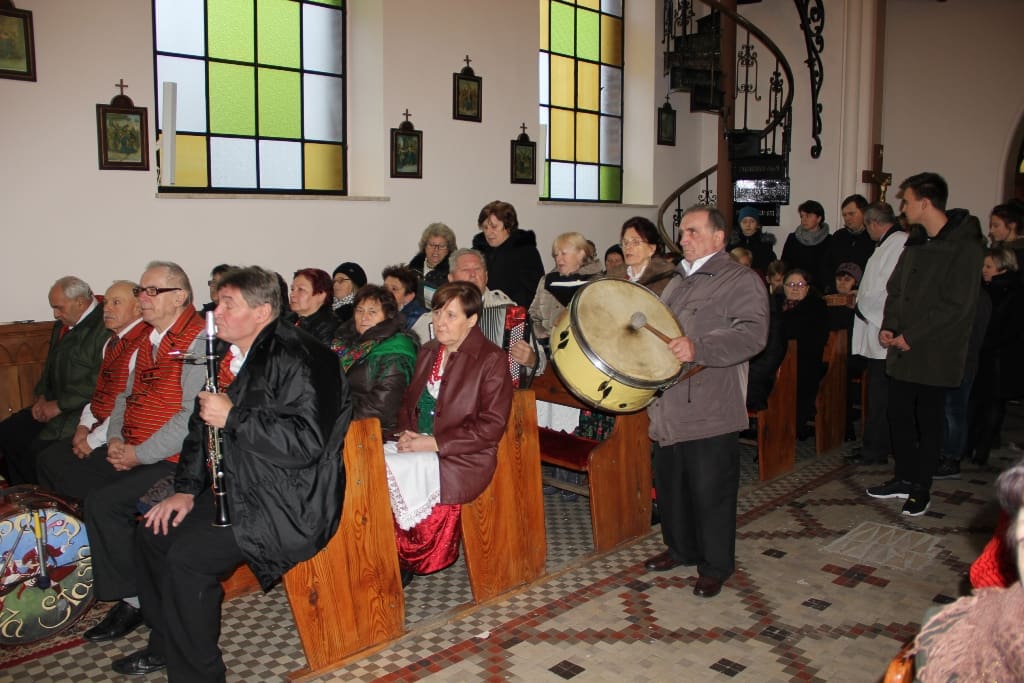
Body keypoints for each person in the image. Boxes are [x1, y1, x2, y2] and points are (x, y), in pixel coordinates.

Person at [114, 266, 351, 680]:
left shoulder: (305, 358)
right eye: (218, 302)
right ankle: (167, 644)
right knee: (153, 533)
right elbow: (198, 427)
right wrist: (186, 490)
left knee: (188, 559)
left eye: (228, 304)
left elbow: (307, 444)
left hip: (289, 501)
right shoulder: (227, 353)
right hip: (242, 485)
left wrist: (234, 417)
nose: (215, 312)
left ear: (261, 312)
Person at [63, 261, 207, 644]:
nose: (143, 297)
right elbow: (124, 396)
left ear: (179, 296)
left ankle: (134, 599)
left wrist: (137, 454)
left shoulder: (197, 342)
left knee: (105, 503)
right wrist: (114, 439)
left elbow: (191, 419)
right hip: (134, 447)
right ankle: (111, 566)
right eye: (142, 290)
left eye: (152, 291)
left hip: (176, 460)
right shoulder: (149, 339)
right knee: (66, 470)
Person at [643, 205, 769, 599]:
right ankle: (680, 548)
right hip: (669, 404)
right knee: (673, 486)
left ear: (719, 237)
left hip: (711, 404)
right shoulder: (677, 279)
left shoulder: (740, 280)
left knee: (710, 492)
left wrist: (699, 347)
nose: (684, 239)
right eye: (682, 232)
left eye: (693, 231)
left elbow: (752, 335)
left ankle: (715, 565)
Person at [867, 172, 984, 516]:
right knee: (899, 415)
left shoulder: (965, 246)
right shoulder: (916, 240)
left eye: (906, 201)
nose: (902, 208)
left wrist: (911, 335)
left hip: (935, 351)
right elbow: (896, 290)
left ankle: (921, 487)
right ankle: (903, 477)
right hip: (902, 349)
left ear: (925, 203)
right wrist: (890, 327)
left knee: (929, 420)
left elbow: (956, 305)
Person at [393, 282, 514, 583]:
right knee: (370, 466)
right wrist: (405, 434)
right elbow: (407, 403)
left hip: (465, 456)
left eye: (451, 315)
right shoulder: (429, 351)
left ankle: (409, 556)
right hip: (421, 445)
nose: (440, 322)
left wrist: (434, 443)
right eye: (437, 313)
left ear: (472, 320)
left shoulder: (491, 360)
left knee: (400, 471)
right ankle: (384, 547)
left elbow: (491, 427)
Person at [36, 280, 150, 489]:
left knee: (61, 466)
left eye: (116, 303)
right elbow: (99, 393)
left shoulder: (144, 344)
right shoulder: (111, 342)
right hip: (100, 427)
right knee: (47, 458)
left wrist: (93, 440)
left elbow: (130, 405)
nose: (107, 309)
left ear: (137, 308)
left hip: (123, 435)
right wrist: (83, 427)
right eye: (106, 302)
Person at [0, 276, 107, 484]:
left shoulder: (104, 327)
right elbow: (49, 367)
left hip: (80, 409)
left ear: (80, 302)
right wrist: (41, 397)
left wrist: (59, 405)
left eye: (59, 308)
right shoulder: (62, 326)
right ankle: (24, 494)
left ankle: (42, 498)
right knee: (8, 434)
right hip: (53, 404)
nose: (56, 314)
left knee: (38, 451)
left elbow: (98, 380)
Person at [411, 248, 542, 377]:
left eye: (477, 269)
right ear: (451, 278)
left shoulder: (510, 311)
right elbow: (412, 362)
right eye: (465, 269)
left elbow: (540, 359)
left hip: (498, 387)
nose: (473, 274)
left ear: (486, 277)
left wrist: (532, 360)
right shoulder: (434, 317)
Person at [847, 202, 907, 466]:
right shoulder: (887, 243)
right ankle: (874, 444)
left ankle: (876, 448)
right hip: (876, 327)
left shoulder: (898, 242)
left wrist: (861, 306)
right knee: (877, 393)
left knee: (881, 395)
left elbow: (887, 288)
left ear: (873, 223)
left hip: (883, 328)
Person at [330, 285, 418, 436]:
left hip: (373, 433)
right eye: (359, 311)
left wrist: (335, 423)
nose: (364, 317)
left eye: (372, 312)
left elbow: (381, 407)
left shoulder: (396, 351)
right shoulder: (346, 343)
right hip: (342, 421)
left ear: (388, 316)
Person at [965, 248, 1024, 467]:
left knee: (992, 403)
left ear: (1003, 268)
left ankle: (981, 449)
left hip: (1000, 358)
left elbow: (1008, 328)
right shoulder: (988, 290)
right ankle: (970, 446)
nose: (983, 270)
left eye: (988, 266)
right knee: (979, 402)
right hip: (987, 355)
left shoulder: (1010, 293)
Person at [529, 232, 603, 346]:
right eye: (556, 255)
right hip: (547, 350)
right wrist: (542, 335)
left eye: (563, 253)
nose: (558, 259)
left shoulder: (598, 284)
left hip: (583, 350)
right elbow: (533, 316)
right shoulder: (546, 281)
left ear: (580, 254)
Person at [780, 269, 830, 441]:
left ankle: (789, 427)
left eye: (800, 284)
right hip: (781, 360)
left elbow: (807, 336)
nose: (795, 288)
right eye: (791, 284)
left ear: (808, 288)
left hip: (806, 361)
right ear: (783, 287)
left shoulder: (816, 307)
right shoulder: (774, 305)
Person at [472, 200, 545, 308]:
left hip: (514, 312)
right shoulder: (478, 253)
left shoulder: (526, 252)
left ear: (508, 226)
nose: (488, 232)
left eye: (494, 227)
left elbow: (535, 293)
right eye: (485, 227)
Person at [605, 216, 677, 296]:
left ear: (651, 248)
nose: (628, 247)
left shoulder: (665, 277)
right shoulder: (613, 276)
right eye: (625, 242)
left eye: (636, 242)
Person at [824, 194, 875, 287]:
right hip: (837, 290)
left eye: (851, 214)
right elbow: (827, 266)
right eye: (844, 215)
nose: (847, 218)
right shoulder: (838, 236)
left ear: (864, 212)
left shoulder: (873, 237)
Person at [781, 199, 832, 289]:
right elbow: (785, 265)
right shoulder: (793, 238)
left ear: (819, 218)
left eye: (808, 216)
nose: (804, 219)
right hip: (795, 288)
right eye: (802, 216)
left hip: (819, 289)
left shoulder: (829, 240)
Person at [408, 222, 457, 305]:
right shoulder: (411, 270)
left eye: (441, 246)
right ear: (424, 247)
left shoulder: (454, 274)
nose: (436, 250)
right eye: (431, 245)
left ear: (449, 250)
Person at [289, 267, 337, 345]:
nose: (292, 294)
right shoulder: (287, 320)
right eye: (292, 289)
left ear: (321, 295)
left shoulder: (330, 328)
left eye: (301, 290)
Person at [727, 206, 777, 273]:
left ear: (757, 224)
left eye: (752, 221)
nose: (748, 225)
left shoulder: (765, 244)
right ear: (739, 224)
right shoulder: (732, 243)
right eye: (744, 221)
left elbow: (768, 267)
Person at [383, 264, 428, 330]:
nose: (386, 292)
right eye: (385, 287)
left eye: (394, 289)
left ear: (409, 297)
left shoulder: (416, 319)